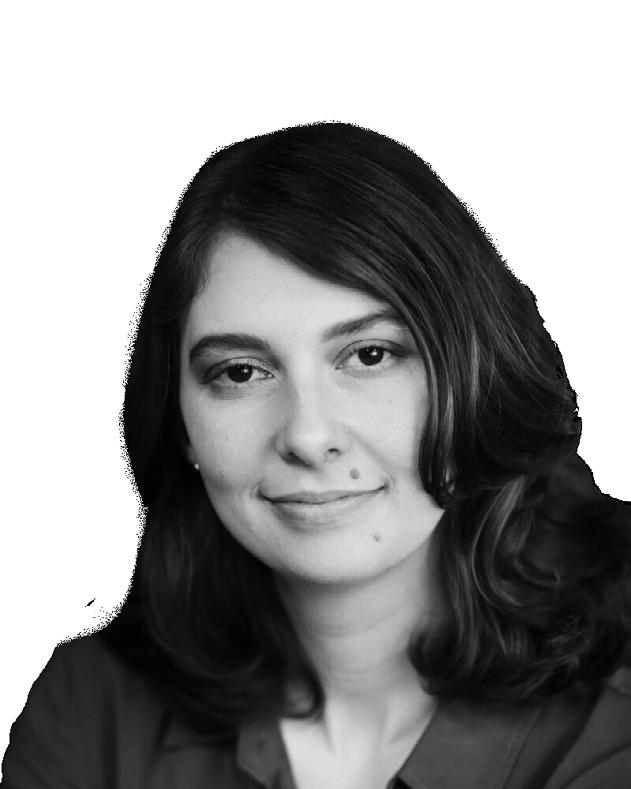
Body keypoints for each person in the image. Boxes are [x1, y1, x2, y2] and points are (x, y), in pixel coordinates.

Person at [2, 123, 630, 789]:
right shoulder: (89, 709)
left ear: (472, 375)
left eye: (369, 355)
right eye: (241, 372)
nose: (306, 435)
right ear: (180, 422)